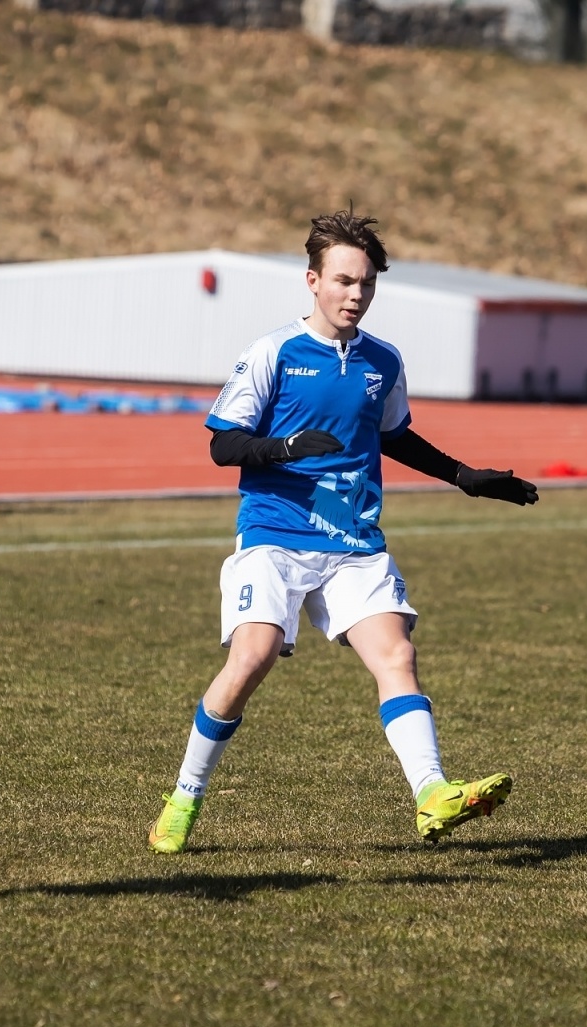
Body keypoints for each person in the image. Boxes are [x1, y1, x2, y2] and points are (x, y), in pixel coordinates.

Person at [148, 210, 539, 855]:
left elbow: (393, 436)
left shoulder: (382, 361)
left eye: (366, 285)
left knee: (398, 656)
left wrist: (464, 475)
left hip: (354, 541)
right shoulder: (274, 352)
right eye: (344, 281)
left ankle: (432, 793)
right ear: (313, 281)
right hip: (274, 535)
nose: (356, 295)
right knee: (252, 656)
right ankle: (186, 794)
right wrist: (285, 447)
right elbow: (223, 445)